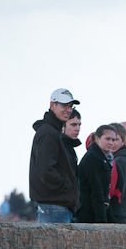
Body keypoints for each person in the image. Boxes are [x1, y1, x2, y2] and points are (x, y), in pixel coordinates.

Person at [29, 88, 81, 223]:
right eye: (64, 105)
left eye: (70, 106)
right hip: (54, 205)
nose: (68, 110)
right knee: (55, 245)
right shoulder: (48, 132)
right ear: (52, 105)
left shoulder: (53, 131)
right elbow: (46, 170)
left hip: (55, 205)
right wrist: (66, 186)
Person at [77, 125, 116, 223]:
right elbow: (96, 191)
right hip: (90, 212)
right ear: (97, 138)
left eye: (113, 140)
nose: (111, 142)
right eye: (107, 139)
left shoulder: (102, 158)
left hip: (97, 210)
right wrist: (102, 221)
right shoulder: (93, 158)